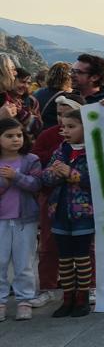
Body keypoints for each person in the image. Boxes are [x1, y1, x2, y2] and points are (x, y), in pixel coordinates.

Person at [41, 107, 94, 318]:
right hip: (60, 211)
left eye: (72, 126)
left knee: (81, 255)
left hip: (83, 212)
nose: (66, 131)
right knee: (64, 257)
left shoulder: (91, 151)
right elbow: (45, 177)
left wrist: (70, 173)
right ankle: (67, 298)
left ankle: (82, 298)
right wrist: (54, 174)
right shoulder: (60, 150)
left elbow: (94, 181)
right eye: (64, 127)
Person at [0, 118, 42, 322]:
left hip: (25, 219)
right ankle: (1, 301)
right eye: (9, 136)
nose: (15, 139)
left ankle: (25, 300)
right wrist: (5, 180)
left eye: (18, 135)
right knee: (0, 261)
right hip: (1, 220)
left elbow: (36, 184)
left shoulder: (30, 159)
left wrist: (15, 176)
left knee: (24, 261)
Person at [0, 57, 41, 134]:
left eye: (28, 83)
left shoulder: (30, 101)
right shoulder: (5, 101)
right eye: (12, 69)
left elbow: (38, 125)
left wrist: (21, 113)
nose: (15, 73)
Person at [32, 62, 72, 131]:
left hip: (39, 133)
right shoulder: (66, 97)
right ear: (67, 79)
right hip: (56, 133)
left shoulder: (37, 92)